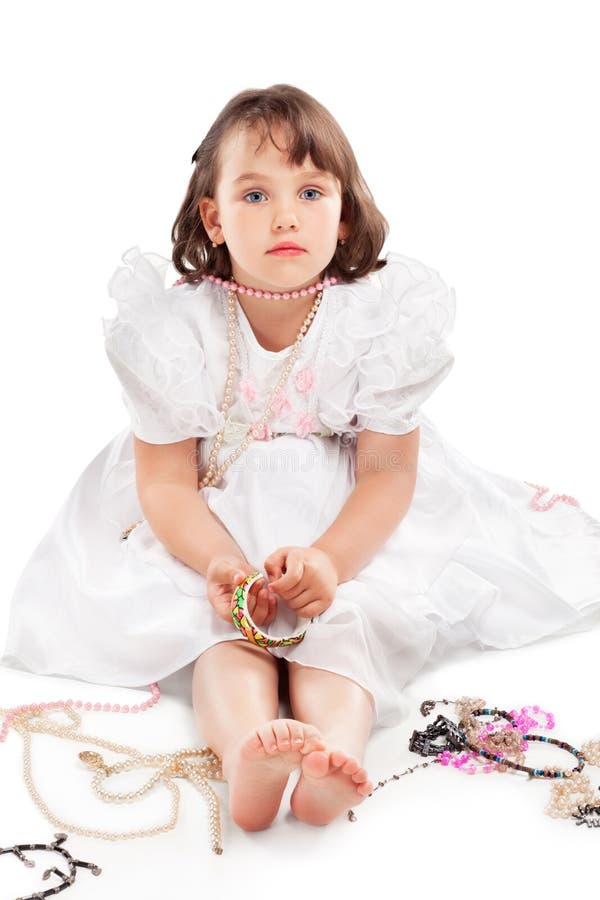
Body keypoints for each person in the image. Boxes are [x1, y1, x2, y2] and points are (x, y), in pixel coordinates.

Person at [3, 83, 600, 833]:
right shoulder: (175, 330)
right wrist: (221, 565)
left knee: (345, 622)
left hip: (345, 512)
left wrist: (330, 561)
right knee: (220, 635)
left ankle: (330, 762)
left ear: (343, 211)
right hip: (210, 512)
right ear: (214, 218)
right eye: (255, 194)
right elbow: (165, 480)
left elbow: (388, 473)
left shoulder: (377, 321)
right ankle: (247, 757)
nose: (285, 214)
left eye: (310, 190)